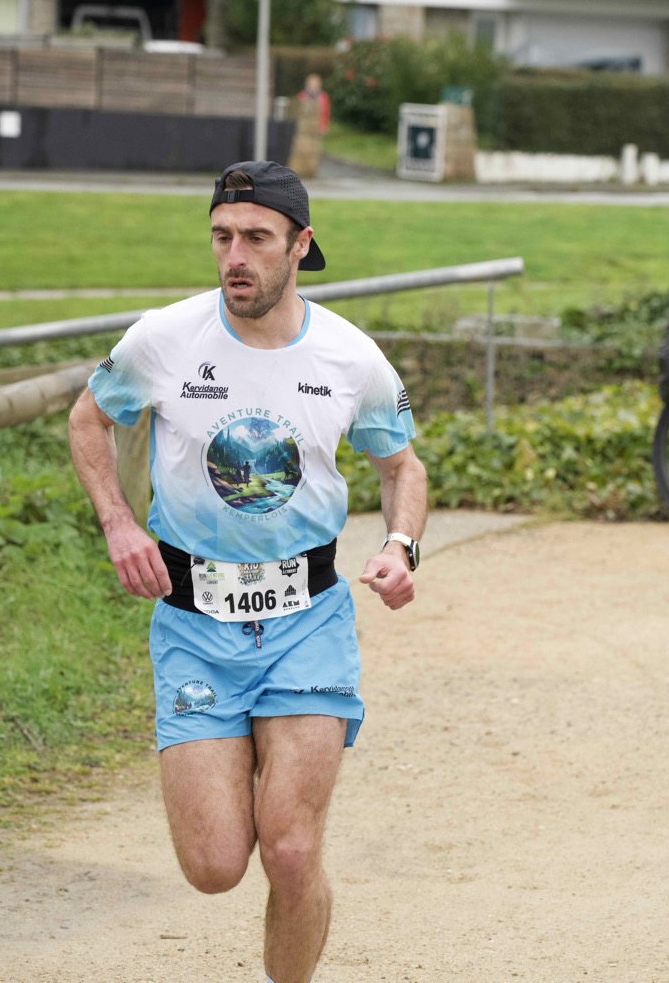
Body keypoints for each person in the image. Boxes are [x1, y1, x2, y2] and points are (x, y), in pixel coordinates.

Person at [68, 159, 427, 983]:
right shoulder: (163, 338)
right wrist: (118, 521)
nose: (235, 256)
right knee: (215, 865)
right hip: (193, 624)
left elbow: (400, 466)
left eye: (257, 238)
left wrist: (399, 545)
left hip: (307, 620)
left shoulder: (350, 357)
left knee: (291, 850)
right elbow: (89, 419)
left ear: (300, 245)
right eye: (222, 236)